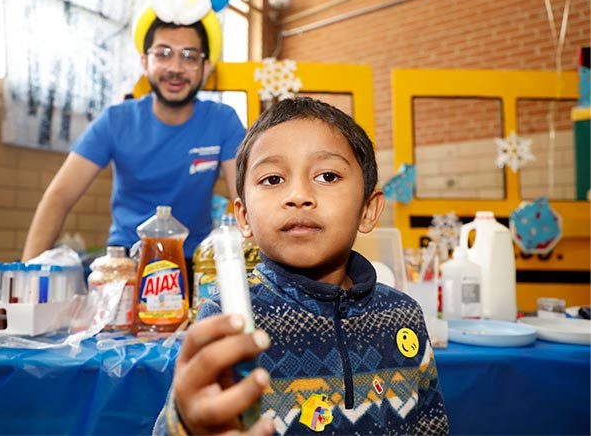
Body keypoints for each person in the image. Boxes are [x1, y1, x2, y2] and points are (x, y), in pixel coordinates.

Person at [154, 97, 449, 435]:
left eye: (327, 175)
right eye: (273, 179)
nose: (298, 194)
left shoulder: (403, 315)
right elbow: (190, 420)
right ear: (245, 217)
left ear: (368, 209)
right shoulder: (227, 321)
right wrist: (189, 426)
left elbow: (432, 427)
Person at [21, 3, 246, 290]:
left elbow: (247, 200)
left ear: (206, 66)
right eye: (163, 54)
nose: (175, 68)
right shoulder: (116, 121)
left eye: (189, 56)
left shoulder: (222, 121)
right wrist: (27, 281)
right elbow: (59, 197)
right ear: (145, 62)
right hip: (125, 266)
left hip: (196, 266)